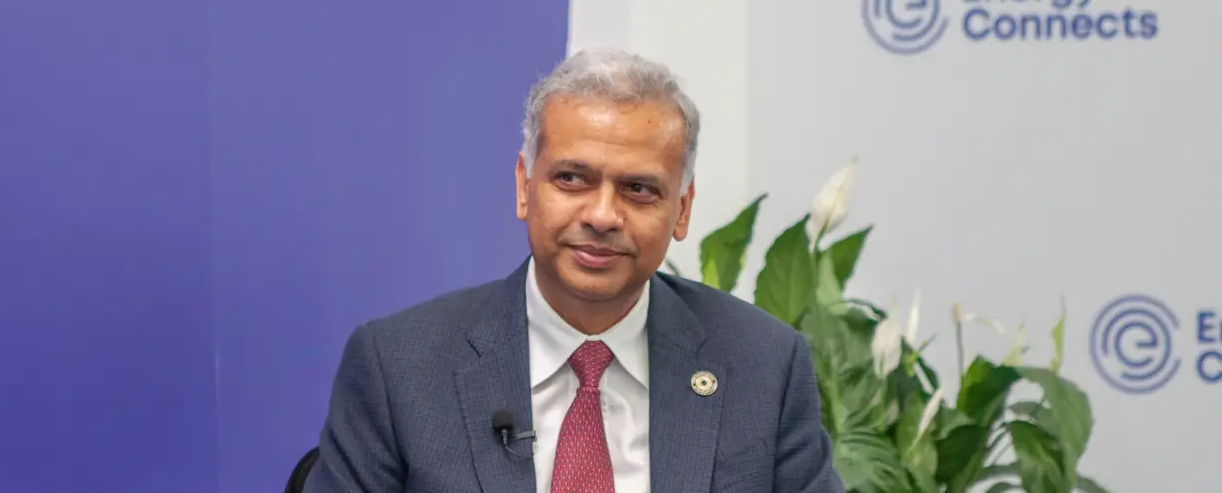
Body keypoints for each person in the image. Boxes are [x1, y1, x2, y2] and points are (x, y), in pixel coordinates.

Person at [306, 48, 843, 492]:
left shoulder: (763, 366)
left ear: (681, 210)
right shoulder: (400, 370)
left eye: (639, 189)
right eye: (572, 179)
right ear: (524, 187)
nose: (603, 216)